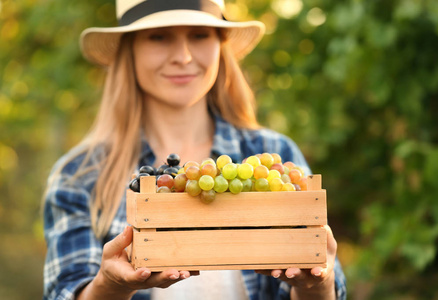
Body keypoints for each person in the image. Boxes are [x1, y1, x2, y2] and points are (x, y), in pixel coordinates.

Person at [43, 0, 347, 299]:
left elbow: (317, 279)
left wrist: (319, 285)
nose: (183, 56)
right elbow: (66, 290)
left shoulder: (276, 155)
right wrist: (109, 288)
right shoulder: (79, 175)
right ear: (130, 50)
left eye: (199, 34)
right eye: (159, 36)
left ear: (219, 46)